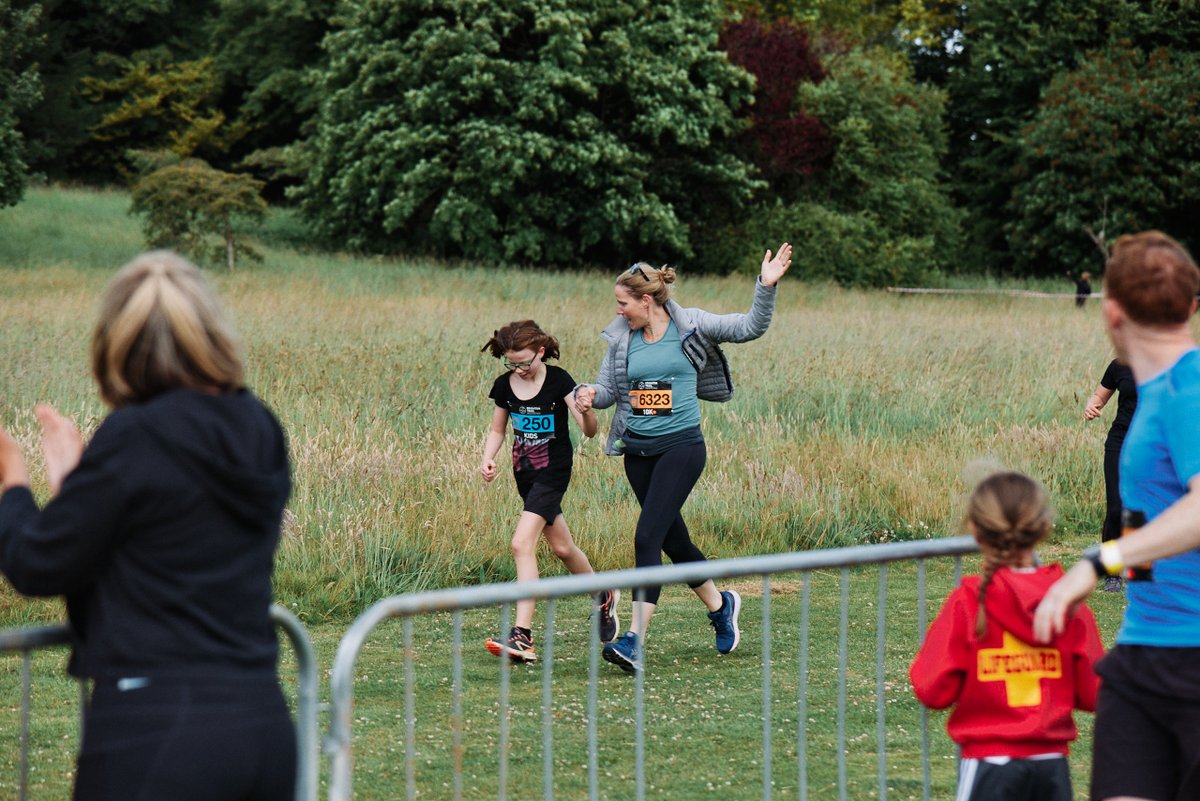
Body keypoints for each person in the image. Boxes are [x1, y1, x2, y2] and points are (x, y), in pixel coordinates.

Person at [0, 251, 296, 801]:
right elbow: (163, 541)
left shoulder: (137, 435)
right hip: (260, 723)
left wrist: (11, 482)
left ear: (118, 343)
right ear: (211, 332)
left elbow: (39, 562)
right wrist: (77, 481)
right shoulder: (257, 425)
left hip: (157, 731)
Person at [1035, 231, 1200, 801]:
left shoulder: (1189, 390)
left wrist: (1098, 562)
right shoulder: (1157, 393)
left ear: (1111, 311)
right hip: (1144, 650)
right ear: (1193, 306)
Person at [575, 242, 793, 673]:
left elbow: (750, 326)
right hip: (637, 452)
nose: (617, 312)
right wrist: (587, 395)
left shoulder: (691, 324)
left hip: (682, 447)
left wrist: (765, 287)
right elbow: (608, 391)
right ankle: (720, 604)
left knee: (646, 537)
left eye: (622, 303)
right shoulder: (623, 338)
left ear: (645, 299)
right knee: (673, 540)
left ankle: (634, 641)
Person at [910, 471, 1103, 801]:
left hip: (990, 764)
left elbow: (932, 689)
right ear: (1043, 528)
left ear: (975, 530)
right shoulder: (1069, 605)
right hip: (1052, 766)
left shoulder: (969, 602)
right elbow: (1094, 692)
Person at [479, 320, 618, 662]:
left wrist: (586, 413)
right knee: (561, 547)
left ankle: (522, 635)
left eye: (525, 362)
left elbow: (588, 430)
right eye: (513, 363)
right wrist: (487, 458)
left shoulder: (560, 381)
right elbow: (498, 428)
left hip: (553, 473)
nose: (520, 369)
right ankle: (603, 592)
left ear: (541, 352)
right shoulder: (505, 386)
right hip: (524, 474)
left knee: (520, 543)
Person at [1083, 358, 1138, 592]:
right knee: (1116, 507)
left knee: (1141, 507)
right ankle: (1113, 571)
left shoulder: (1166, 364)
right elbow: (1099, 396)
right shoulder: (1119, 365)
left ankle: (1139, 567)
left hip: (1152, 444)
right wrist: (1091, 405)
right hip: (1119, 441)